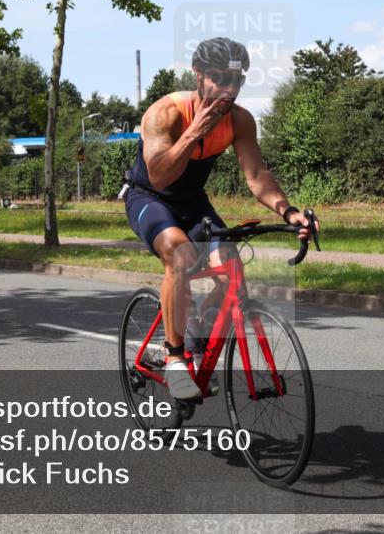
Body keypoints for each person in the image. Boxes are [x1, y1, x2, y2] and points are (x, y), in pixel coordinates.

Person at [124, 37, 317, 400]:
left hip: (192, 201)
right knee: (180, 254)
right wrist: (196, 129)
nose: (227, 89)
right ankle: (176, 356)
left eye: (236, 81)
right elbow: (160, 176)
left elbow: (257, 176)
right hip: (149, 197)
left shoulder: (240, 120)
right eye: (218, 79)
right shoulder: (165, 113)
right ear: (198, 75)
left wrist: (289, 211)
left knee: (230, 265)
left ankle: (195, 333)